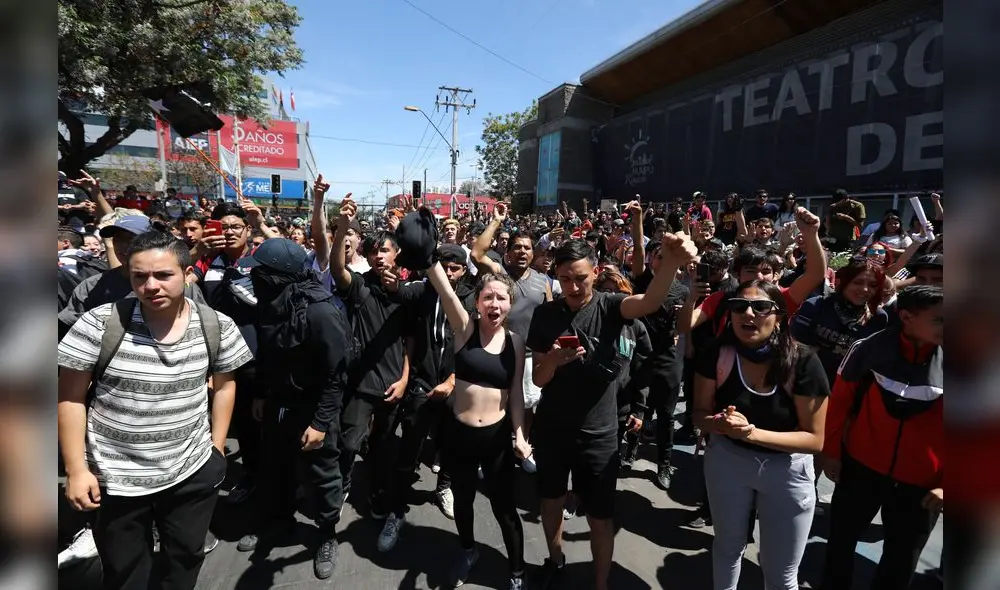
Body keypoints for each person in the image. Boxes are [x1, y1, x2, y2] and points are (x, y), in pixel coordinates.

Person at [58, 230, 252, 590]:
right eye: (140, 276)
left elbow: (225, 386)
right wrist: (76, 469)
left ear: (187, 273)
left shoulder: (217, 326)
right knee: (126, 572)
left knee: (184, 560)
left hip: (190, 471)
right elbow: (69, 398)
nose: (151, 286)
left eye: (163, 275)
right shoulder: (99, 324)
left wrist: (217, 447)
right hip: (114, 480)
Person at [526, 223, 697, 590]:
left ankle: (601, 583)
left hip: (600, 432)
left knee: (600, 517)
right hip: (553, 428)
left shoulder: (613, 307)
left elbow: (650, 302)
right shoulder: (545, 315)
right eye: (564, 279)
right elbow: (538, 379)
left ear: (597, 272)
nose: (573, 287)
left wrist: (669, 262)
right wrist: (555, 359)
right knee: (551, 502)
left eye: (581, 278)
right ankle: (555, 561)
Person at [395, 258, 532, 589]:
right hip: (459, 435)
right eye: (488, 297)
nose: (494, 303)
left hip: (497, 438)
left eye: (501, 297)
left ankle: (516, 572)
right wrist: (427, 258)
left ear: (510, 304)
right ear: (478, 301)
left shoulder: (514, 342)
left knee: (505, 510)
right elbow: (444, 289)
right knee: (464, 500)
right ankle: (468, 550)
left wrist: (519, 434)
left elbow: (514, 394)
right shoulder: (464, 328)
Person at [692, 280, 830, 590]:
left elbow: (815, 439)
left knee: (780, 572)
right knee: (728, 549)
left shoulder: (803, 361)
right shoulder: (716, 353)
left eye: (761, 307)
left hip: (787, 470)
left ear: (779, 316)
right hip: (727, 461)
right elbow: (699, 415)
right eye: (739, 306)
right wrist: (720, 425)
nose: (748, 313)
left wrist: (751, 433)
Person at [234, 239, 352, 580]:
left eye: (260, 271)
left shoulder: (320, 311)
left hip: (313, 410)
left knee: (322, 476)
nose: (253, 276)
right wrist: (261, 393)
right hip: (277, 403)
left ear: (280, 275)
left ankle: (326, 534)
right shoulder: (271, 302)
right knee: (275, 469)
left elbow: (336, 375)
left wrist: (319, 423)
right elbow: (270, 355)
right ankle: (280, 522)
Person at [821, 285, 943, 590]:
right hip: (860, 468)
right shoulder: (868, 348)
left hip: (922, 485)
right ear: (906, 316)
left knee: (901, 561)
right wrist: (832, 452)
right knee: (839, 544)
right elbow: (840, 404)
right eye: (940, 319)